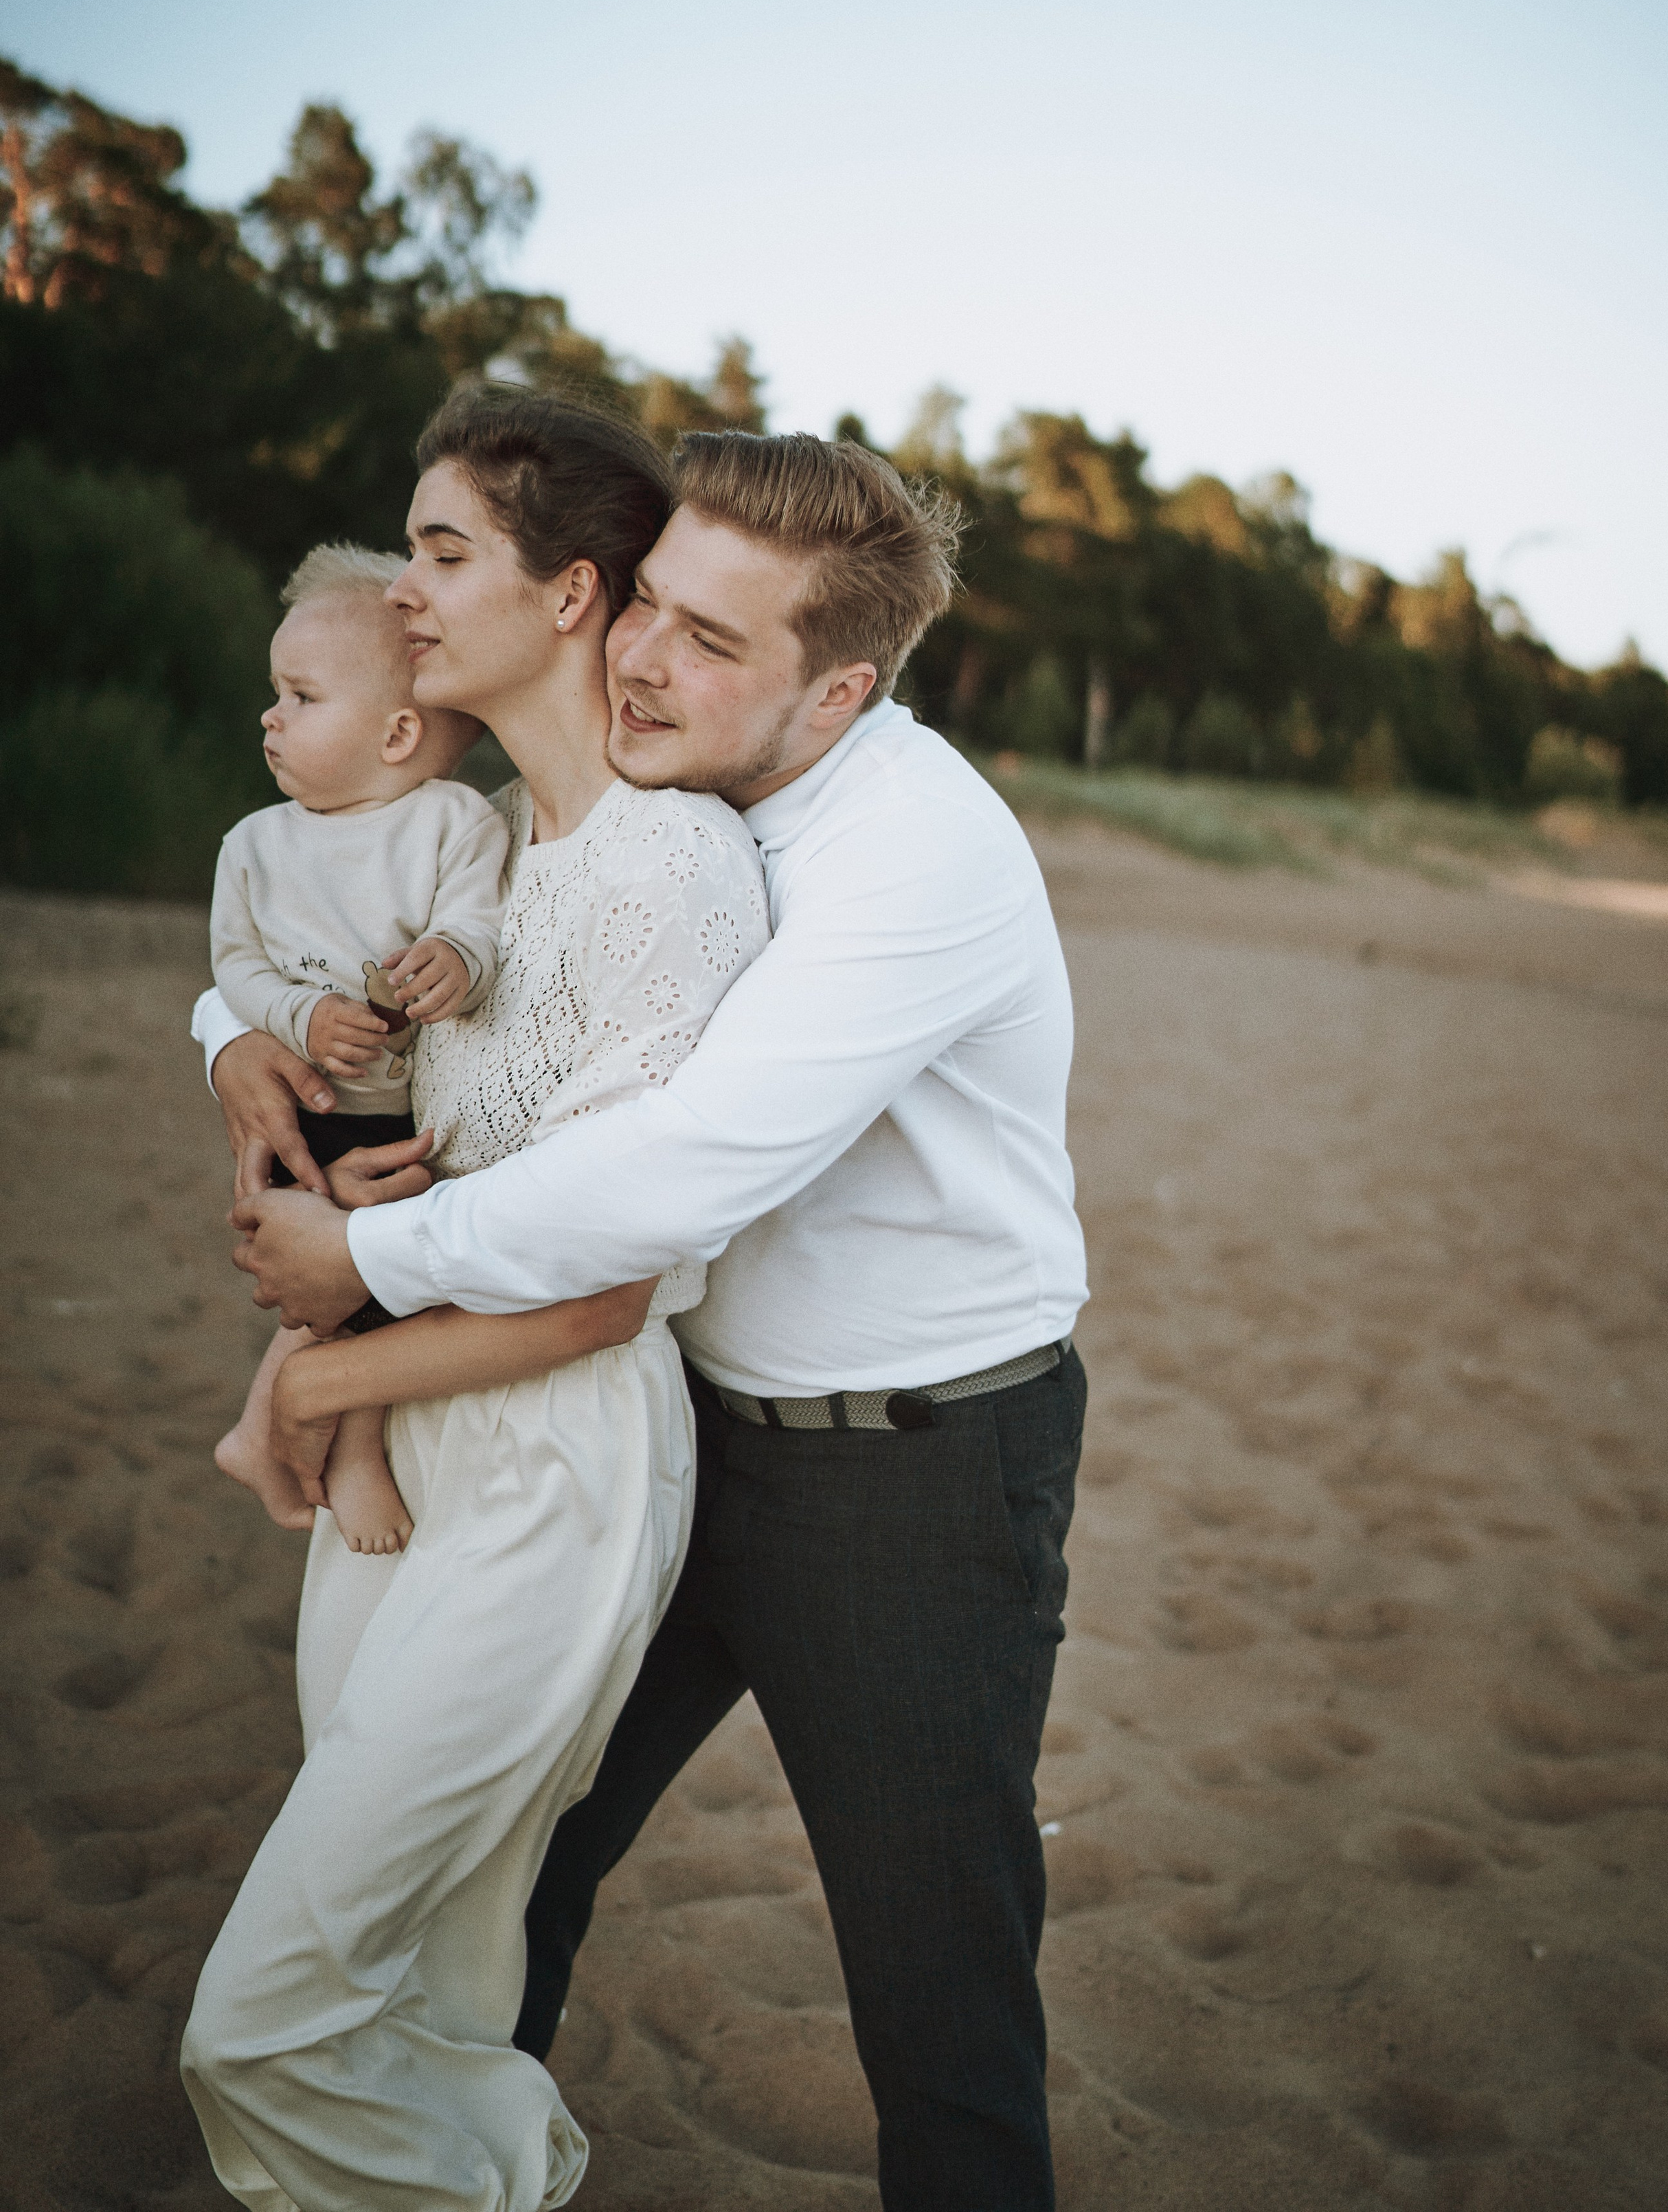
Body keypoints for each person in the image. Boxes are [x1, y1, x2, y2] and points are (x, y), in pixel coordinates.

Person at [224, 427, 1089, 2212]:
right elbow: (354, 913)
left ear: (840, 686)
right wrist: (227, 1047)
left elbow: (683, 1169)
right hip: (670, 1418)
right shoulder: (626, 799)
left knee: (939, 2000)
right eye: (653, 606)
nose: (645, 657)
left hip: (905, 1470)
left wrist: (362, 1291)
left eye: (715, 641)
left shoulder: (914, 849)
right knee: (510, 1880)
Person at [181, 387, 769, 2212]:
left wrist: (316, 1376)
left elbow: (606, 1290)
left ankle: (518, 2177)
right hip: (403, 1436)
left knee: (259, 2022)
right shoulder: (498, 841)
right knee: (425, 1973)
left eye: (444, 554)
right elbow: (388, 1095)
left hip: (547, 1472)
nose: (407, 593)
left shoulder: (673, 868)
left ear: (574, 593)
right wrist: (263, 1093)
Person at [210, 539, 507, 1554]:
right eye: (275, 694)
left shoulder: (453, 823)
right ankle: (351, 1450)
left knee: (383, 1266)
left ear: (395, 734)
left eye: (301, 697)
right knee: (345, 1270)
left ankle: (277, 1430)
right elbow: (235, 970)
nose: (272, 717)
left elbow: (473, 926)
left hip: (396, 1111)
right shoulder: (254, 844)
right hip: (306, 1112)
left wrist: (452, 963)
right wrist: (290, 1022)